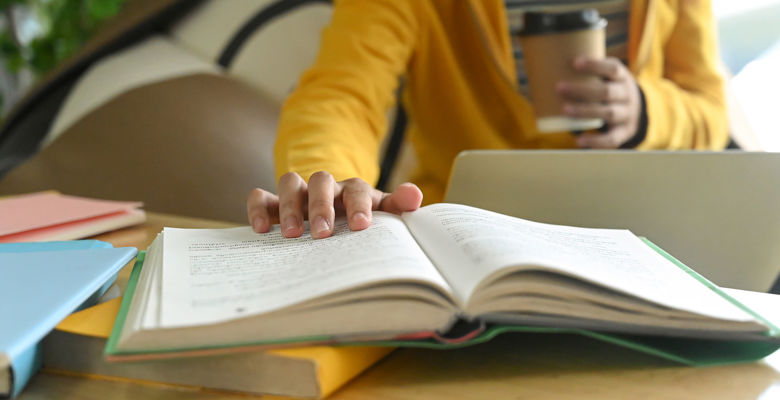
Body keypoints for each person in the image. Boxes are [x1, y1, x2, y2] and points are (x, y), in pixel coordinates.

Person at [246, 0, 728, 239]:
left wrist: (645, 112)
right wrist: (330, 179)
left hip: (636, 231)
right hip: (466, 239)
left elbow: (710, 112)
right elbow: (341, 93)